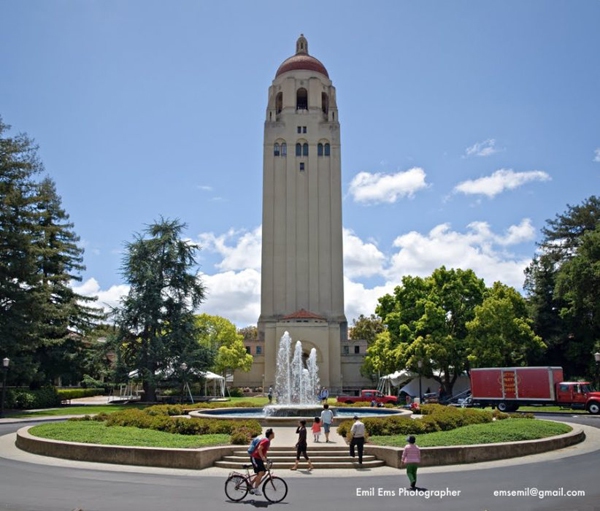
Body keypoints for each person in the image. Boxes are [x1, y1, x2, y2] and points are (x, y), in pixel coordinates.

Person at [250, 428, 275, 496]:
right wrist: (262, 457)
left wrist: (266, 459)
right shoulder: (266, 441)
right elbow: (259, 449)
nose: (274, 434)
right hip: (255, 457)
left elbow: (264, 451)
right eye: (273, 433)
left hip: (258, 458)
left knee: (262, 472)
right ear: (270, 435)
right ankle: (255, 489)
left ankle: (251, 483)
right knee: (261, 472)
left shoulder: (268, 441)